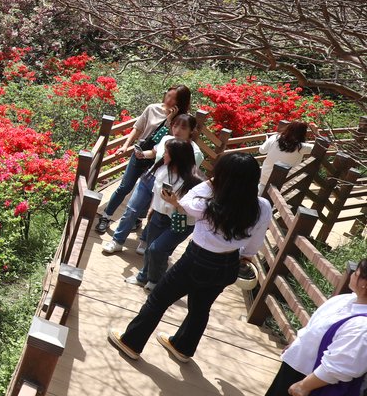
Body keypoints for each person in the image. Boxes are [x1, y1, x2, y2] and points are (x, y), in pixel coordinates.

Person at [108, 152, 271, 362]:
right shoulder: (262, 207)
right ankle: (183, 347)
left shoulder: (207, 205)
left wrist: (213, 183)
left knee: (158, 299)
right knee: (200, 308)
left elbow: (184, 202)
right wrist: (246, 256)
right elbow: (256, 239)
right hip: (229, 264)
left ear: (223, 177)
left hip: (197, 259)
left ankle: (131, 342)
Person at [243, 258, 367, 396]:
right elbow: (316, 327)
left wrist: (306, 385)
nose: (353, 273)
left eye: (358, 272)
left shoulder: (363, 327)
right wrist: (296, 345)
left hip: (313, 377)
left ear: (365, 284)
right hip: (300, 364)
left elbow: (341, 365)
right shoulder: (348, 300)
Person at [102, 113, 203, 255]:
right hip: (150, 178)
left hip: (170, 187)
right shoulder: (166, 139)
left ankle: (144, 241)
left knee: (156, 214)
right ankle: (117, 240)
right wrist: (143, 154)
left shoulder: (195, 152)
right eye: (175, 125)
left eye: (183, 127)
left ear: (192, 130)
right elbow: (155, 153)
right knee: (132, 209)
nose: (177, 130)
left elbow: (190, 175)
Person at [97, 85, 192, 234]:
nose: (169, 100)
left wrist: (170, 120)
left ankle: (138, 219)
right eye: (168, 95)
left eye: (175, 99)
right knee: (125, 187)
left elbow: (171, 140)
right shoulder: (152, 108)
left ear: (182, 102)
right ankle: (106, 216)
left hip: (160, 159)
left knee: (150, 191)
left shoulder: (182, 119)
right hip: (140, 154)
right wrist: (125, 145)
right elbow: (138, 128)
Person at [122, 139, 201, 290]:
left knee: (157, 249)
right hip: (159, 215)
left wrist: (176, 203)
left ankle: (156, 281)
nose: (162, 155)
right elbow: (156, 193)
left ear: (177, 156)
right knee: (150, 248)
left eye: (166, 152)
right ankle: (143, 277)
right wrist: (152, 208)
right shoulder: (163, 170)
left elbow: (198, 209)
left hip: (182, 221)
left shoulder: (195, 181)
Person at [258, 120, 311, 190]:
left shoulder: (274, 138)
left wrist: (268, 140)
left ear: (288, 128)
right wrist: (316, 133)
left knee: (261, 191)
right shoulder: (302, 147)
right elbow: (323, 146)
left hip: (266, 177)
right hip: (285, 182)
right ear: (303, 133)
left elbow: (261, 150)